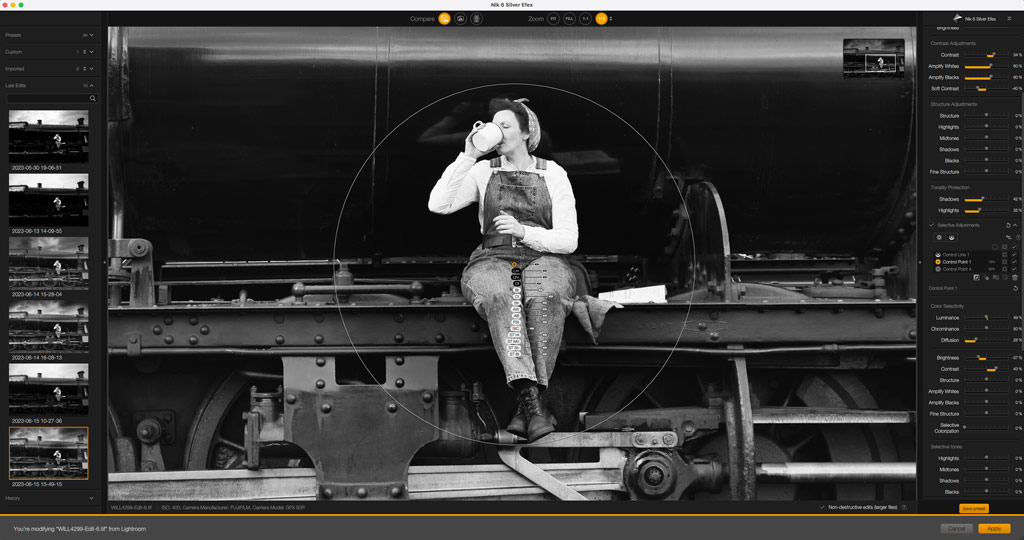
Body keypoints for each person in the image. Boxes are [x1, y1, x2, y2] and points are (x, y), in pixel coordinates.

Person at [428, 98, 578, 442]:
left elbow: (568, 240)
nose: (497, 131)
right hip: (494, 261)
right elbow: (439, 204)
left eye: (506, 125)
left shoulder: (553, 173)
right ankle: (532, 406)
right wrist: (467, 155)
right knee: (502, 294)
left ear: (527, 132)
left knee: (547, 294)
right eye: (493, 125)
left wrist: (525, 232)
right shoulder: (484, 170)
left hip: (543, 259)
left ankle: (528, 406)